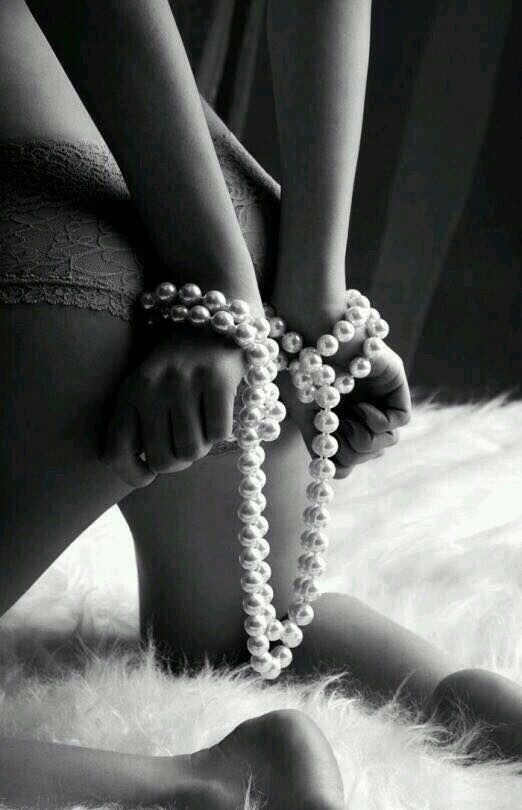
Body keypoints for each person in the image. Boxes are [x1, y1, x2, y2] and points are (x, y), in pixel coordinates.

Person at [0, 1, 520, 807]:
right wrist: (309, 299)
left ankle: (203, 784)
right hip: (219, 199)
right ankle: (460, 696)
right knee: (251, 625)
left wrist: (213, 285)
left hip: (50, 248)